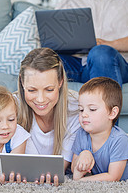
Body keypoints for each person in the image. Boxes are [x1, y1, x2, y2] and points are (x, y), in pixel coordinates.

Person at [9, 47, 81, 185]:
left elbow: (59, 169)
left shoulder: (76, 108)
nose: (40, 99)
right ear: (22, 83)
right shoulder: (11, 107)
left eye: (49, 89)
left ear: (60, 82)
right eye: (32, 90)